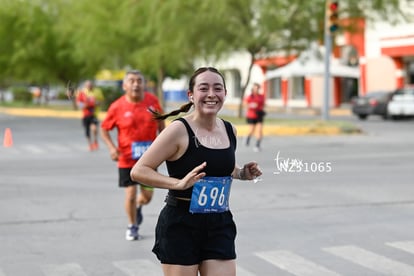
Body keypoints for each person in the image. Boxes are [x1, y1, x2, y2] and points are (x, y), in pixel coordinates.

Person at [130, 67, 262, 276]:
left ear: (225, 94)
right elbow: (139, 171)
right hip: (181, 224)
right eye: (204, 88)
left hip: (219, 222)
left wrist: (241, 173)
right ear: (191, 95)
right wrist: (178, 183)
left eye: (218, 88)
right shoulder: (178, 130)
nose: (211, 94)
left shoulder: (230, 130)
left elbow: (218, 169)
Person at [100, 70, 165, 241]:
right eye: (131, 81)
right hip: (126, 158)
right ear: (125, 85)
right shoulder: (117, 106)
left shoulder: (153, 102)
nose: (136, 84)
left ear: (144, 84)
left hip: (149, 159)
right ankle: (132, 225)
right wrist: (112, 148)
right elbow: (104, 128)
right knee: (130, 193)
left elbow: (162, 126)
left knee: (147, 196)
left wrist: (165, 147)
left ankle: (138, 206)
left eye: (139, 81)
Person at [76, 80, 104, 151]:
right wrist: (84, 105)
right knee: (87, 131)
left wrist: (96, 103)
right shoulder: (82, 93)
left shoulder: (97, 91)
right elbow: (79, 103)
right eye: (87, 85)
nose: (89, 86)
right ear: (85, 86)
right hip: (85, 115)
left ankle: (95, 141)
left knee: (94, 128)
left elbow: (101, 100)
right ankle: (90, 144)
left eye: (90, 85)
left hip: (94, 114)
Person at [244, 83, 266, 152]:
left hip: (259, 115)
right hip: (251, 115)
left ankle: (257, 145)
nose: (256, 89)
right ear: (253, 89)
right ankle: (247, 138)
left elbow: (263, 104)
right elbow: (245, 105)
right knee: (251, 130)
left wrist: (261, 109)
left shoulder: (261, 96)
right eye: (255, 88)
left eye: (257, 88)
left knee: (259, 130)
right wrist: (251, 105)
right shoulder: (250, 96)